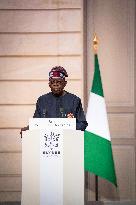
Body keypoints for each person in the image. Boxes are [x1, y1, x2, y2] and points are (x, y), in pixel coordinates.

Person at [20, 66, 87, 135]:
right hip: (46, 141)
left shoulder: (74, 100)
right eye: (52, 82)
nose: (55, 84)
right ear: (49, 84)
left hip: (68, 141)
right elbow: (36, 123)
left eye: (58, 82)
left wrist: (70, 124)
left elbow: (83, 125)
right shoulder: (42, 100)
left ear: (65, 83)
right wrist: (27, 129)